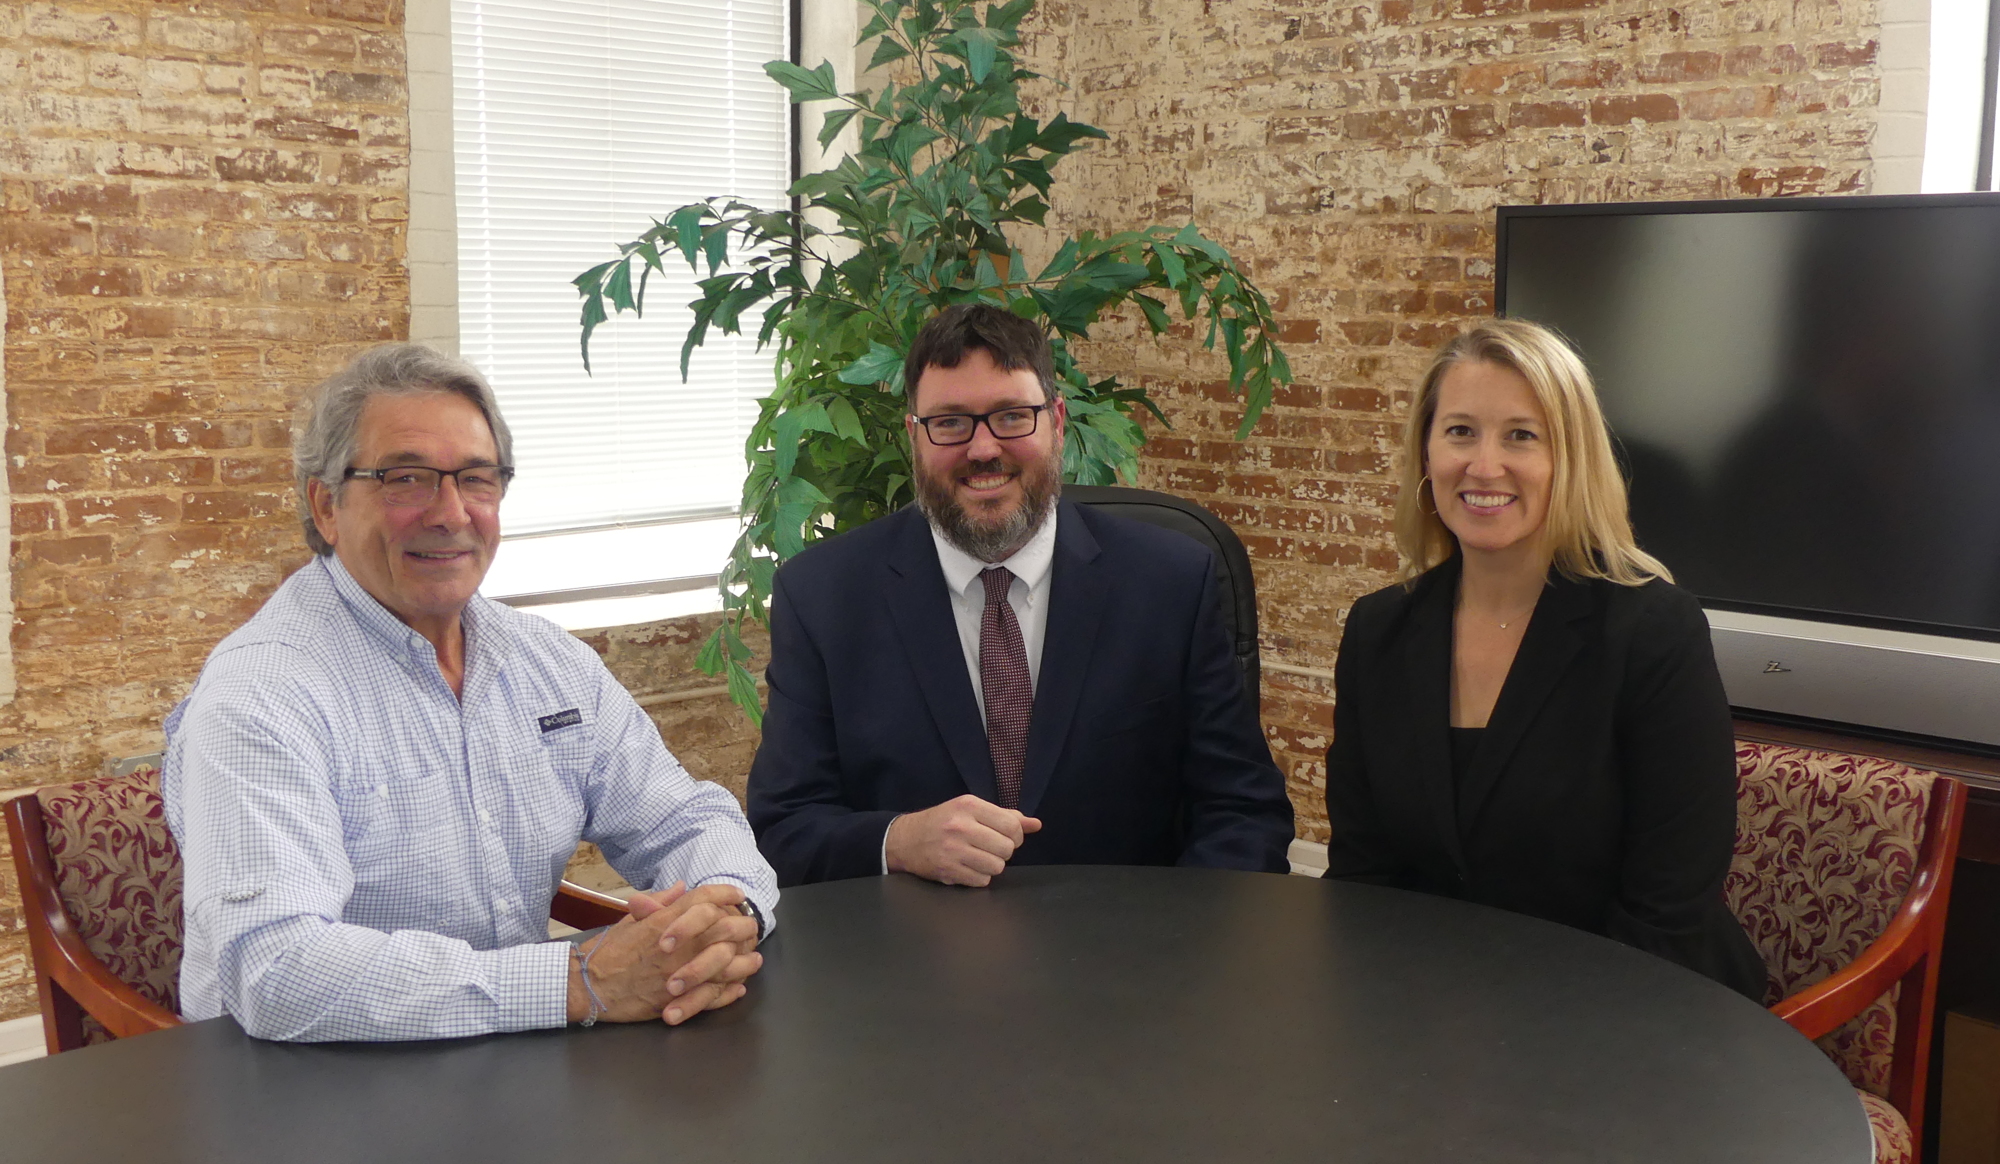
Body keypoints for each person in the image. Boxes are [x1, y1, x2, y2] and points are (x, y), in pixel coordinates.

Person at [164, 343, 777, 1042]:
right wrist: (579, 981)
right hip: (303, 1089)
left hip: (508, 1059)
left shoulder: (547, 663)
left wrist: (727, 915)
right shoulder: (262, 695)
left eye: (477, 479)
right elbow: (279, 973)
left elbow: (686, 821)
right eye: (407, 479)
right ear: (326, 505)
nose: (451, 512)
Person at [747, 303, 1294, 886]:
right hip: (909, 959)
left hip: (1131, 954)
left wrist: (1176, 952)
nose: (983, 449)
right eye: (950, 422)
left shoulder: (1170, 584)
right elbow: (782, 828)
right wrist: (898, 840)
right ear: (914, 437)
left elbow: (1243, 812)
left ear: (1056, 421)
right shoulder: (823, 597)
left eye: (1011, 416)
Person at [1321, 319, 1768, 1000]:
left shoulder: (1654, 632)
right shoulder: (1377, 631)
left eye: (1521, 436)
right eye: (1460, 431)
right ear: (1425, 452)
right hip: (1435, 1018)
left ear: (1571, 459)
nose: (1484, 465)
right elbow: (1362, 877)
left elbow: (1668, 914)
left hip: (1639, 1019)